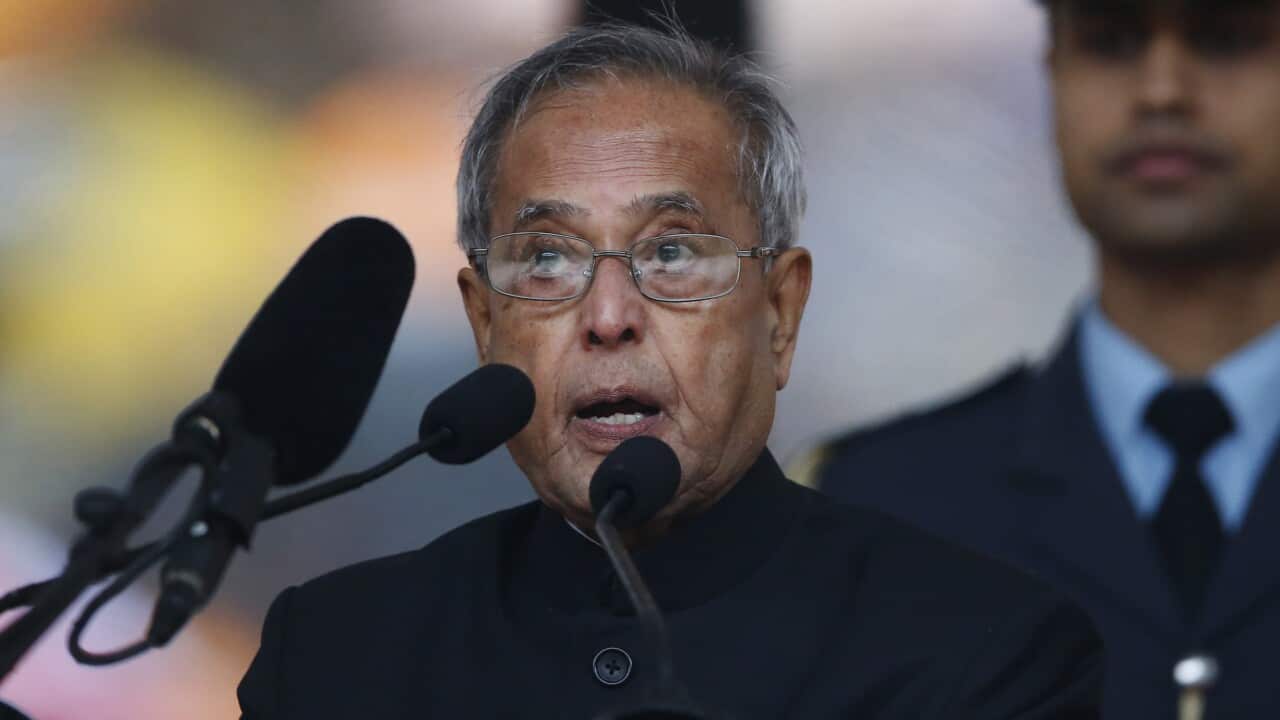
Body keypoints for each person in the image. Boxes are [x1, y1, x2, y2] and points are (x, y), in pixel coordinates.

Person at [237, 24, 1102, 719]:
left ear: (779, 314)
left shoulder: (982, 657)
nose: (608, 317)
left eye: (673, 251)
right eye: (545, 260)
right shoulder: (334, 658)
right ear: (484, 324)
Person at [811, 0, 1280, 716]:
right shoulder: (874, 512)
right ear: (1053, 71)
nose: (1162, 91)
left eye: (1224, 39)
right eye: (1111, 41)